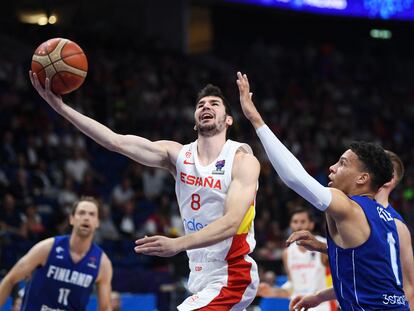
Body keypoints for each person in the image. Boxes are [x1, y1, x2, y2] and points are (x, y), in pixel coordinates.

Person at [30, 73, 260, 310]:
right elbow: (115, 141)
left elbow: (232, 222)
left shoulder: (242, 160)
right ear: (194, 120)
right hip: (200, 274)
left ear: (228, 120)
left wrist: (178, 244)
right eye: (200, 105)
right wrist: (61, 108)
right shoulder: (178, 155)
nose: (206, 107)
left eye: (214, 103)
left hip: (233, 273)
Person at [237, 71, 409, 310]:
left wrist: (256, 120)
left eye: (342, 163)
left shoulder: (349, 205)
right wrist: (319, 294)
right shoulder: (387, 218)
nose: (332, 167)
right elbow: (365, 270)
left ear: (362, 178)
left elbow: (295, 178)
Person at [286, 150, 414, 310]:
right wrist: (319, 295)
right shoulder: (378, 214)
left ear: (389, 178)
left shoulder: (394, 224)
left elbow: (407, 287)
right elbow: (366, 274)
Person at [0, 196, 113, 310]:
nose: (86, 218)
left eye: (91, 214)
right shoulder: (47, 248)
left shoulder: (102, 263)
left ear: (97, 222)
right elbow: (10, 279)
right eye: (82, 213)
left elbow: (105, 308)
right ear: (71, 219)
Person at [258, 207, 336, 311]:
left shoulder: (323, 246)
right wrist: (272, 292)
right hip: (299, 306)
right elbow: (292, 286)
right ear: (290, 225)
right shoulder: (287, 253)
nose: (299, 225)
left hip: (323, 306)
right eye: (295, 222)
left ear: (311, 224)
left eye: (303, 221)